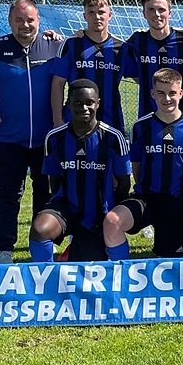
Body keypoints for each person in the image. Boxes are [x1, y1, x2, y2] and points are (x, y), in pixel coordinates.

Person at [0, 0, 60, 264]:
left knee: (45, 192)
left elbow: (74, 82)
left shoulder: (55, 46)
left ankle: (42, 241)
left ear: (38, 20)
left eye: (30, 20)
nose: (25, 25)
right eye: (19, 20)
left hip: (46, 138)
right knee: (7, 194)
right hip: (9, 138)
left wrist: (64, 120)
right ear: (10, 21)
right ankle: (3, 248)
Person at [102, 69, 183, 260]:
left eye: (172, 93)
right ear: (152, 93)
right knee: (112, 221)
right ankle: (122, 278)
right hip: (146, 199)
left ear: (181, 93)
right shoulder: (141, 127)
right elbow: (137, 166)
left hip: (176, 202)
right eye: (161, 93)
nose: (167, 98)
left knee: (167, 261)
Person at [30, 79, 131, 262]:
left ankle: (120, 274)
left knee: (89, 265)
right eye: (77, 103)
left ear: (98, 103)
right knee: (40, 229)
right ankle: (47, 282)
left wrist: (110, 216)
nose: (84, 107)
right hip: (66, 209)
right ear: (68, 104)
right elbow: (54, 181)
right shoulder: (54, 138)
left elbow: (124, 183)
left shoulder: (113, 138)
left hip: (100, 213)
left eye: (89, 103)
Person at [51, 0, 126, 132]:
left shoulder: (122, 48)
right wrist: (57, 120)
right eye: (91, 12)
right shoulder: (71, 44)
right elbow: (58, 83)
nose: (97, 17)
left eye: (101, 12)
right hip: (74, 121)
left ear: (110, 15)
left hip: (111, 122)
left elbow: (142, 78)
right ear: (85, 16)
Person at [122, 0, 183, 118]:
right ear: (144, 13)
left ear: (170, 13)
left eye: (161, 9)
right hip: (148, 116)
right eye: (151, 9)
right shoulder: (137, 40)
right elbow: (133, 73)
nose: (156, 14)